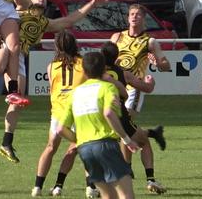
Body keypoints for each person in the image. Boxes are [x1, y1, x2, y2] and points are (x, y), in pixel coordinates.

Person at [0, 0, 106, 164]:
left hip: (19, 55)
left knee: (17, 99)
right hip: (4, 45)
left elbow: (70, 20)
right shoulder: (20, 9)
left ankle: (6, 142)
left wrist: (92, 3)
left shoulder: (44, 22)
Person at [56, 52, 139, 199]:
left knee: (108, 196)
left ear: (84, 71)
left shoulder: (75, 93)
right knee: (126, 194)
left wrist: (78, 140)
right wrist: (127, 140)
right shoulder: (107, 88)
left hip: (85, 150)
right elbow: (109, 114)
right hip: (106, 145)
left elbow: (61, 128)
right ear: (104, 70)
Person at [101, 41, 167, 195]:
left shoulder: (93, 73)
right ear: (117, 57)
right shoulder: (124, 73)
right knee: (143, 141)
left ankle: (91, 186)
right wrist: (150, 82)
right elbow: (147, 88)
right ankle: (150, 179)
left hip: (97, 115)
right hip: (119, 115)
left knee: (96, 148)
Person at [31, 30, 85, 197]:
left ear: (57, 47)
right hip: (78, 111)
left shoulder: (51, 66)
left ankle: (37, 187)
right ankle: (60, 185)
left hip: (58, 112)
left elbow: (53, 87)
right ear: (74, 44)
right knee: (77, 147)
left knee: (50, 147)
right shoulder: (83, 64)